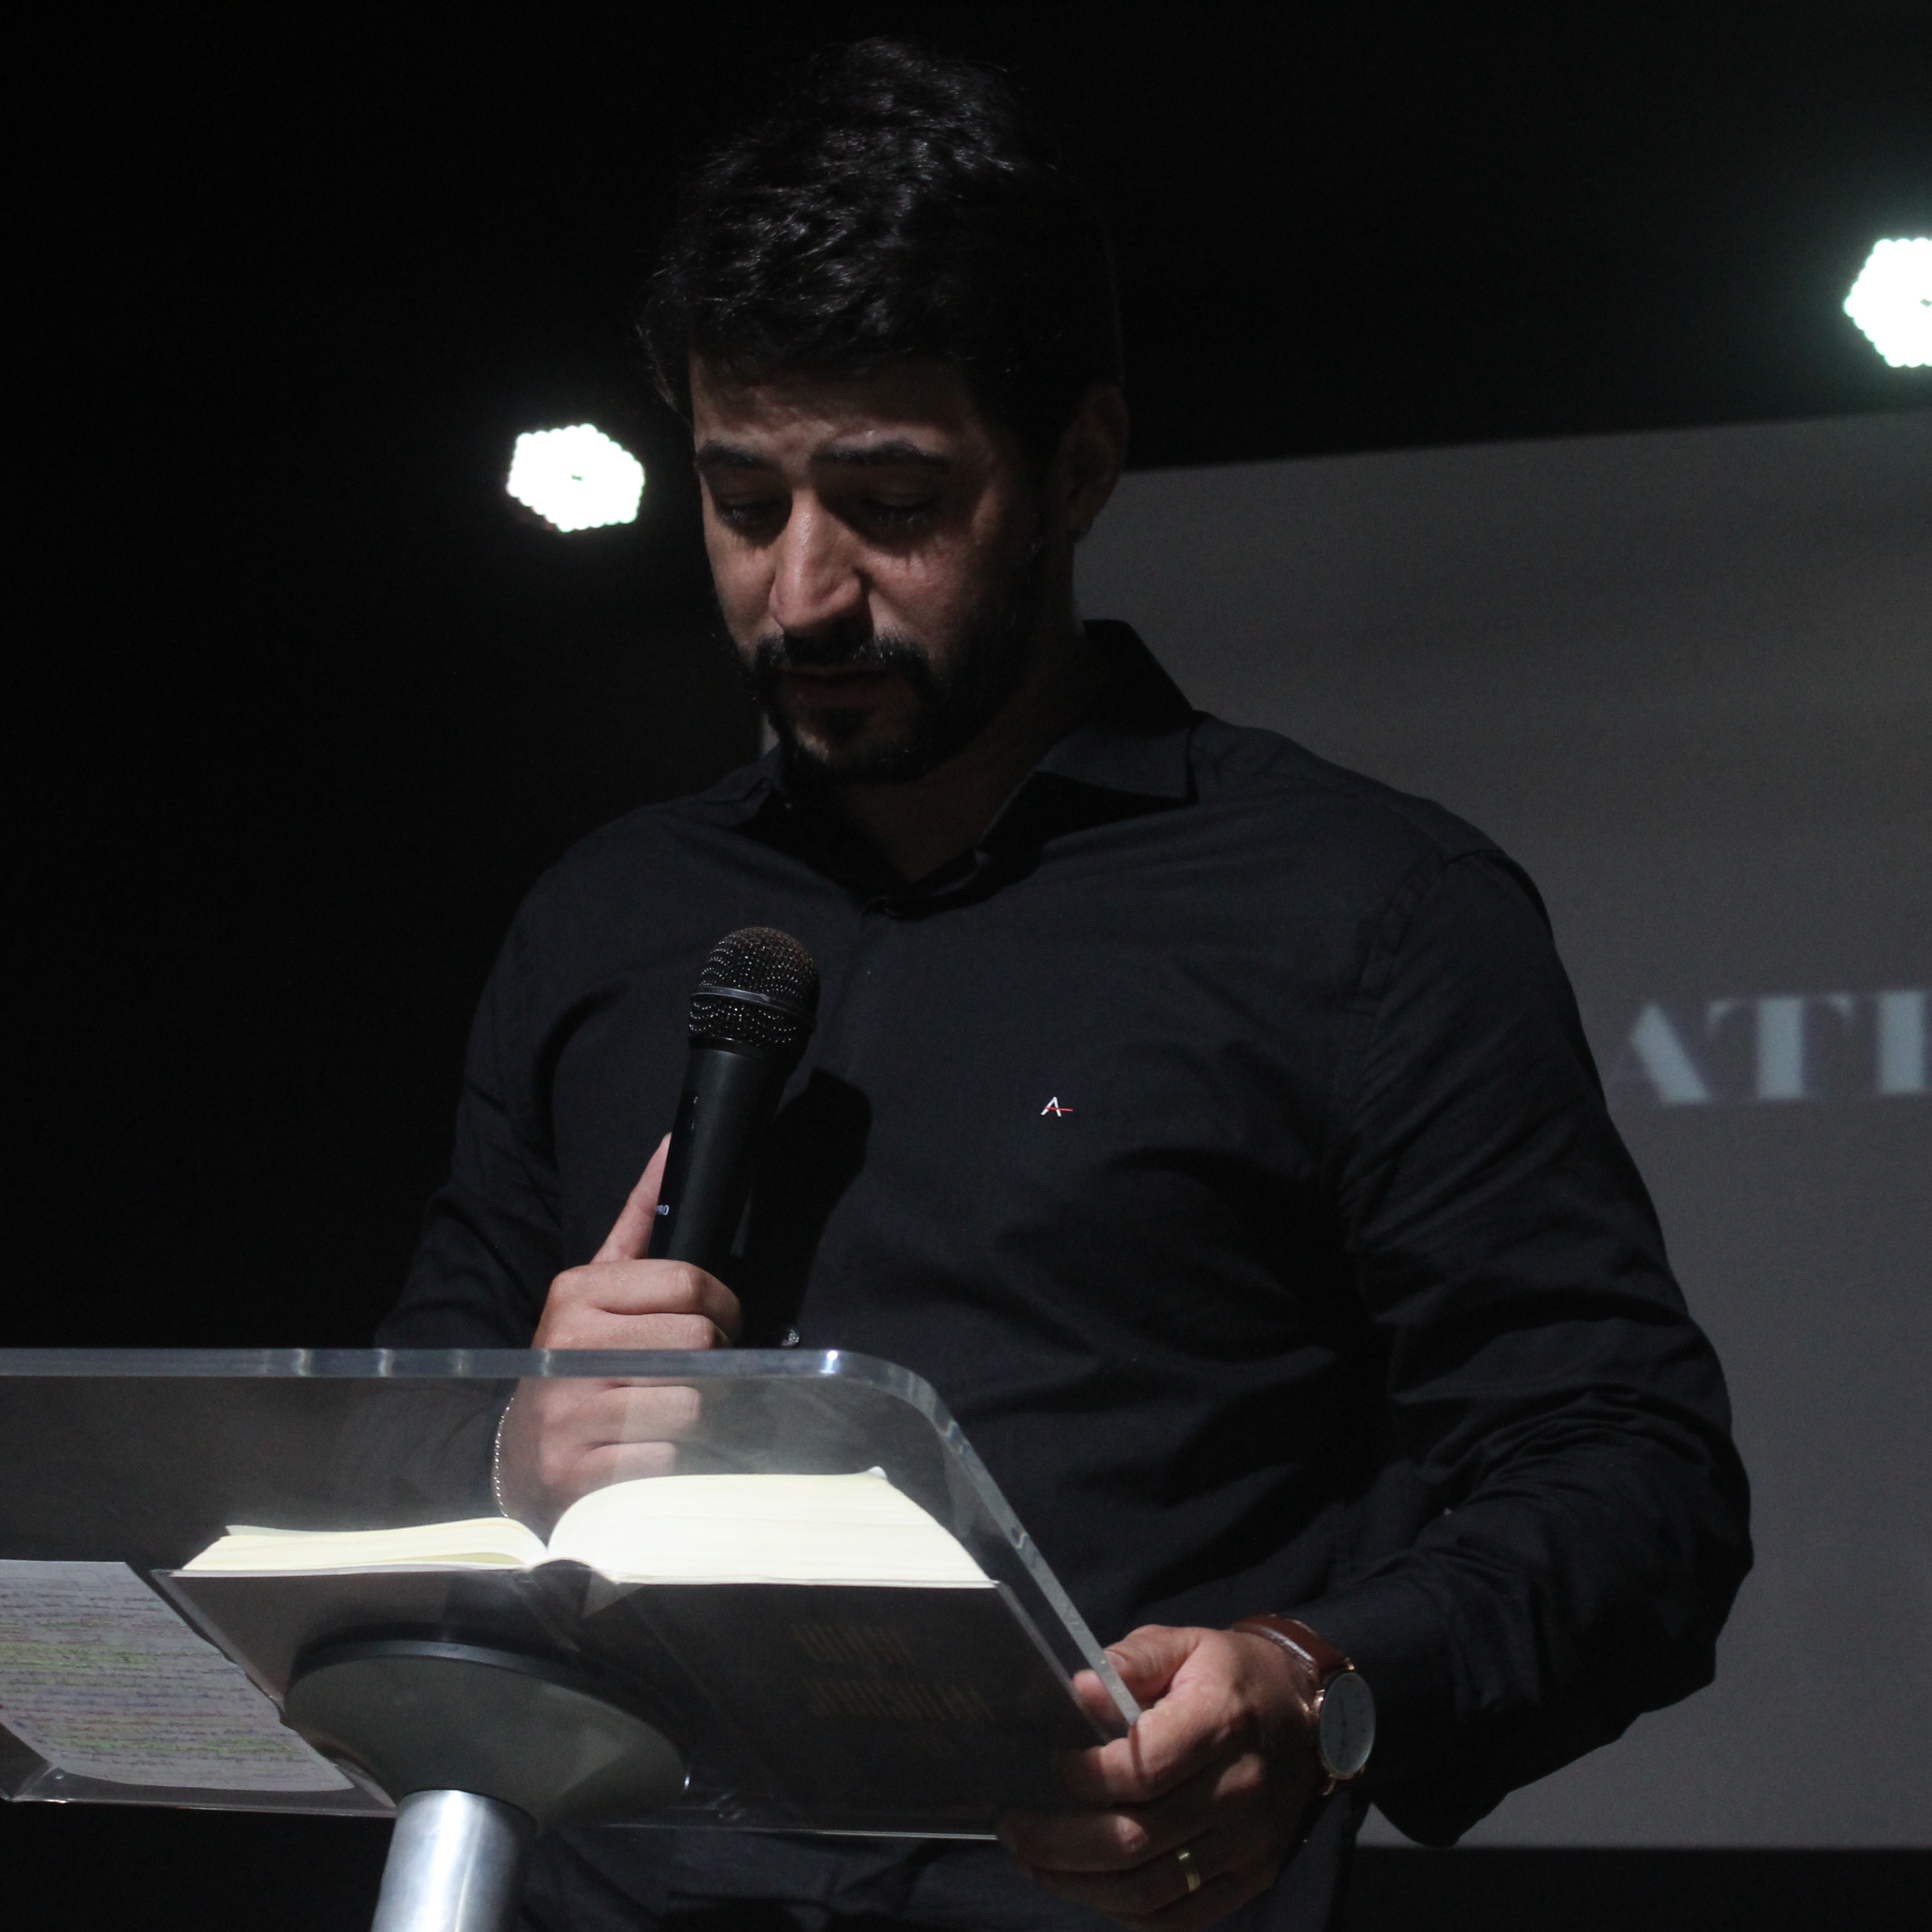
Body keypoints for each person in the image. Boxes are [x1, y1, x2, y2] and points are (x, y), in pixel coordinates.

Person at [377, 38, 1750, 1932]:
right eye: (744, 499)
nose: (803, 591)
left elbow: (1633, 1484)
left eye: (892, 499)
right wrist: (503, 1445)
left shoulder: (1367, 912)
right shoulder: (605, 916)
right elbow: (391, 1435)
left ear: (1080, 465)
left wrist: (1318, 1689)